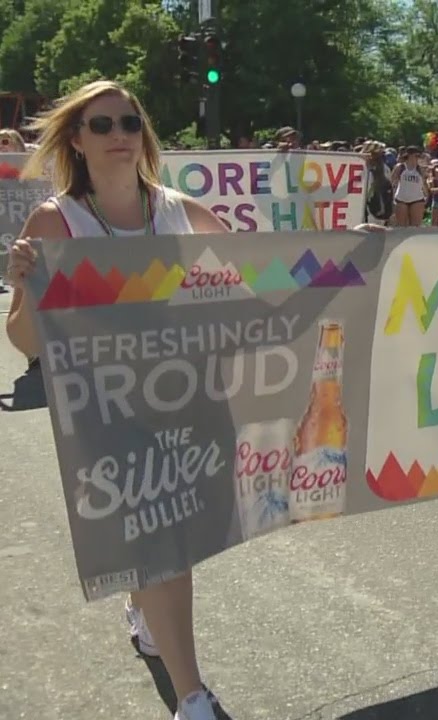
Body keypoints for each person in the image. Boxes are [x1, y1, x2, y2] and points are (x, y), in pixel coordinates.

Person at [6, 80, 234, 720]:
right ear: (76, 141)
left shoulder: (181, 210)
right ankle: (192, 696)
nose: (119, 135)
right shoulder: (55, 222)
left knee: (160, 536)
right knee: (164, 541)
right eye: (101, 125)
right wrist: (31, 288)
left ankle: (142, 607)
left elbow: (258, 271)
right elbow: (25, 340)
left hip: (186, 400)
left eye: (129, 122)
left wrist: (357, 250)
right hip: (105, 412)